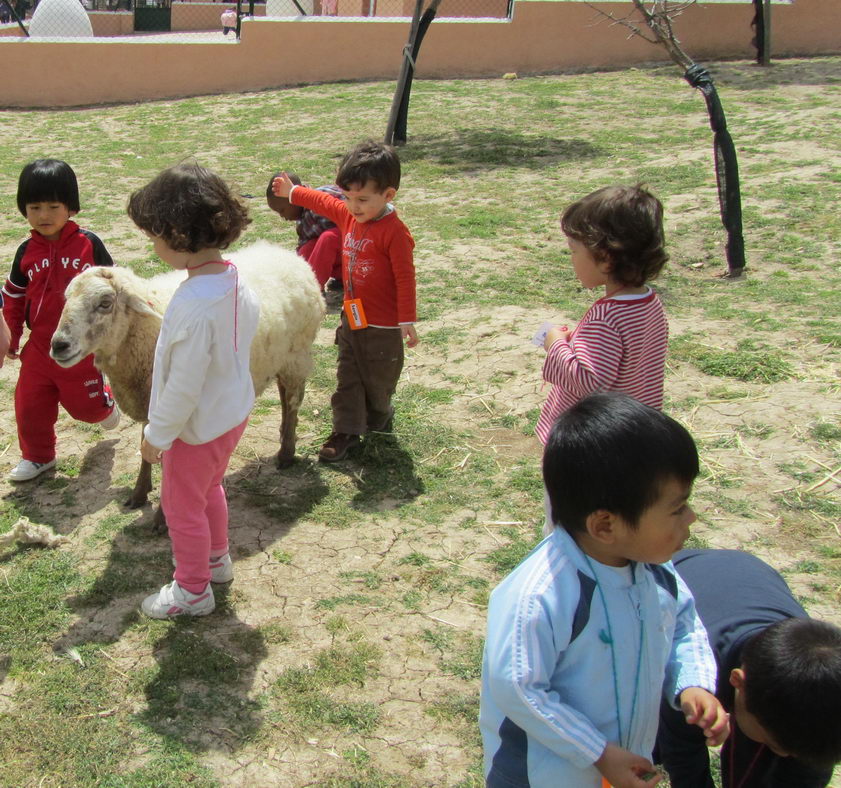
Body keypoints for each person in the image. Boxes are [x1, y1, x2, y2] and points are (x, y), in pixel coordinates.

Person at [480, 393, 729, 788]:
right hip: (546, 774)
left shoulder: (655, 571)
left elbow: (683, 623)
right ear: (606, 526)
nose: (691, 517)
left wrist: (693, 683)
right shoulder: (541, 596)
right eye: (677, 508)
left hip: (622, 761)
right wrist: (596, 752)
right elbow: (518, 688)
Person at [126, 162, 259, 619]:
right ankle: (217, 561)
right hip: (231, 415)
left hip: (194, 429)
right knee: (209, 489)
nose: (154, 245)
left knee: (181, 507)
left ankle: (193, 591)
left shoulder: (192, 306)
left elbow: (181, 387)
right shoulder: (236, 279)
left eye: (155, 235)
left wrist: (156, 436)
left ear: (179, 233)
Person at [535, 184, 669, 536]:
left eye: (574, 250)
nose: (571, 258)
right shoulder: (648, 304)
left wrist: (555, 343)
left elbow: (587, 381)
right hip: (630, 438)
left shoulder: (607, 316)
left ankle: (566, 570)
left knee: (568, 524)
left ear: (606, 257)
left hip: (588, 445)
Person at [272, 139, 418, 463]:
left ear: (388, 195)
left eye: (363, 199)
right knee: (348, 374)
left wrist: (407, 318)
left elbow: (405, 278)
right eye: (349, 198)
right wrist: (292, 193)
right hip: (353, 319)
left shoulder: (395, 234)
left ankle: (379, 415)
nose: (353, 206)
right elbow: (322, 202)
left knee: (378, 380)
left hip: (383, 327)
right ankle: (345, 431)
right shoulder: (349, 216)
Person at [656, 548, 841, 788]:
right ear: (738, 683)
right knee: (655, 744)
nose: (784, 756)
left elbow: (811, 760)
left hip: (746, 577)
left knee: (792, 744)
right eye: (776, 747)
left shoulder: (826, 680)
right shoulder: (692, 670)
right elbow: (682, 752)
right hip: (687, 573)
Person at [2, 158, 119, 483]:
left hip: (80, 350)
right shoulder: (26, 250)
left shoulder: (88, 244)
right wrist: (11, 336)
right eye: (34, 206)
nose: (44, 215)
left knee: (88, 411)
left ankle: (106, 404)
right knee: (29, 407)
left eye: (53, 206)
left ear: (71, 207)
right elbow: (13, 297)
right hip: (39, 349)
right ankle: (38, 457)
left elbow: (114, 288)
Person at [265, 171, 344, 292]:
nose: (282, 216)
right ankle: (299, 284)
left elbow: (354, 221)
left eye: (282, 210)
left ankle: (313, 290)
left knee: (329, 238)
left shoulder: (321, 198)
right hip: (341, 261)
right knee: (305, 249)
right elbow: (305, 250)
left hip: (359, 251)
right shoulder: (302, 219)